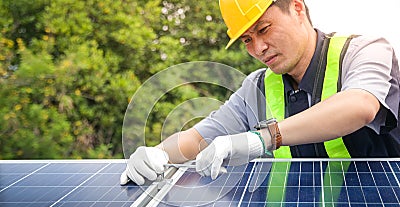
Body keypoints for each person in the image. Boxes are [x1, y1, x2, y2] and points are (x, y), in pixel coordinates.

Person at [120, 0, 400, 185]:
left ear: (297, 8)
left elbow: (360, 105)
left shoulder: (365, 51)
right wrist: (157, 154)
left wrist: (263, 138)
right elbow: (197, 138)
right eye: (247, 40)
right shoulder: (256, 87)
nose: (258, 48)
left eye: (264, 29)